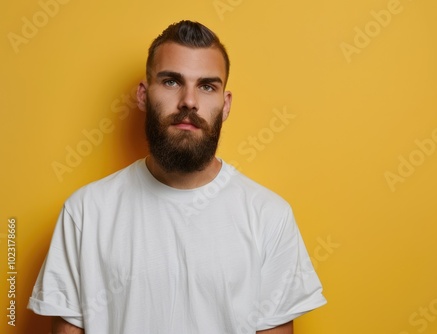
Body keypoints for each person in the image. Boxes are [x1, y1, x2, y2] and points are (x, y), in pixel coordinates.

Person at [28, 20, 326, 334]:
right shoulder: (86, 212)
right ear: (143, 96)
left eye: (207, 86)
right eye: (171, 81)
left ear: (225, 106)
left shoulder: (269, 217)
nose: (189, 101)